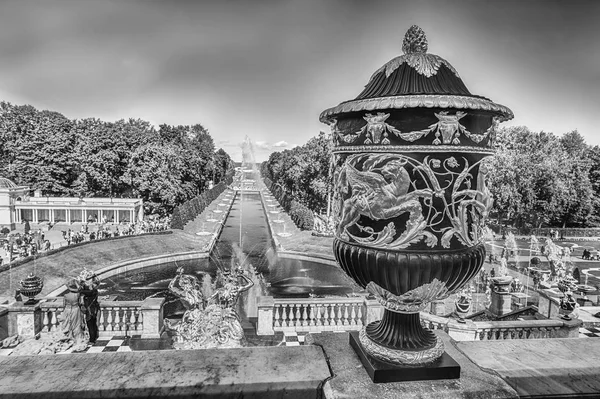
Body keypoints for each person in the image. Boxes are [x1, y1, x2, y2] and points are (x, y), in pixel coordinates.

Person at [61, 279, 87, 351]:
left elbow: (64, 305)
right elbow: (80, 303)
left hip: (67, 310)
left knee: (68, 325)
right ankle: (77, 339)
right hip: (76, 310)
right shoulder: (77, 295)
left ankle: (69, 338)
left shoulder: (66, 295)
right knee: (76, 325)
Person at [79, 270, 100, 344]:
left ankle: (92, 340)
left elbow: (86, 292)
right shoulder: (94, 290)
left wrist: (81, 290)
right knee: (93, 324)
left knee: (90, 324)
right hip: (94, 309)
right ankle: (94, 338)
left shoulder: (90, 292)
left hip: (90, 310)